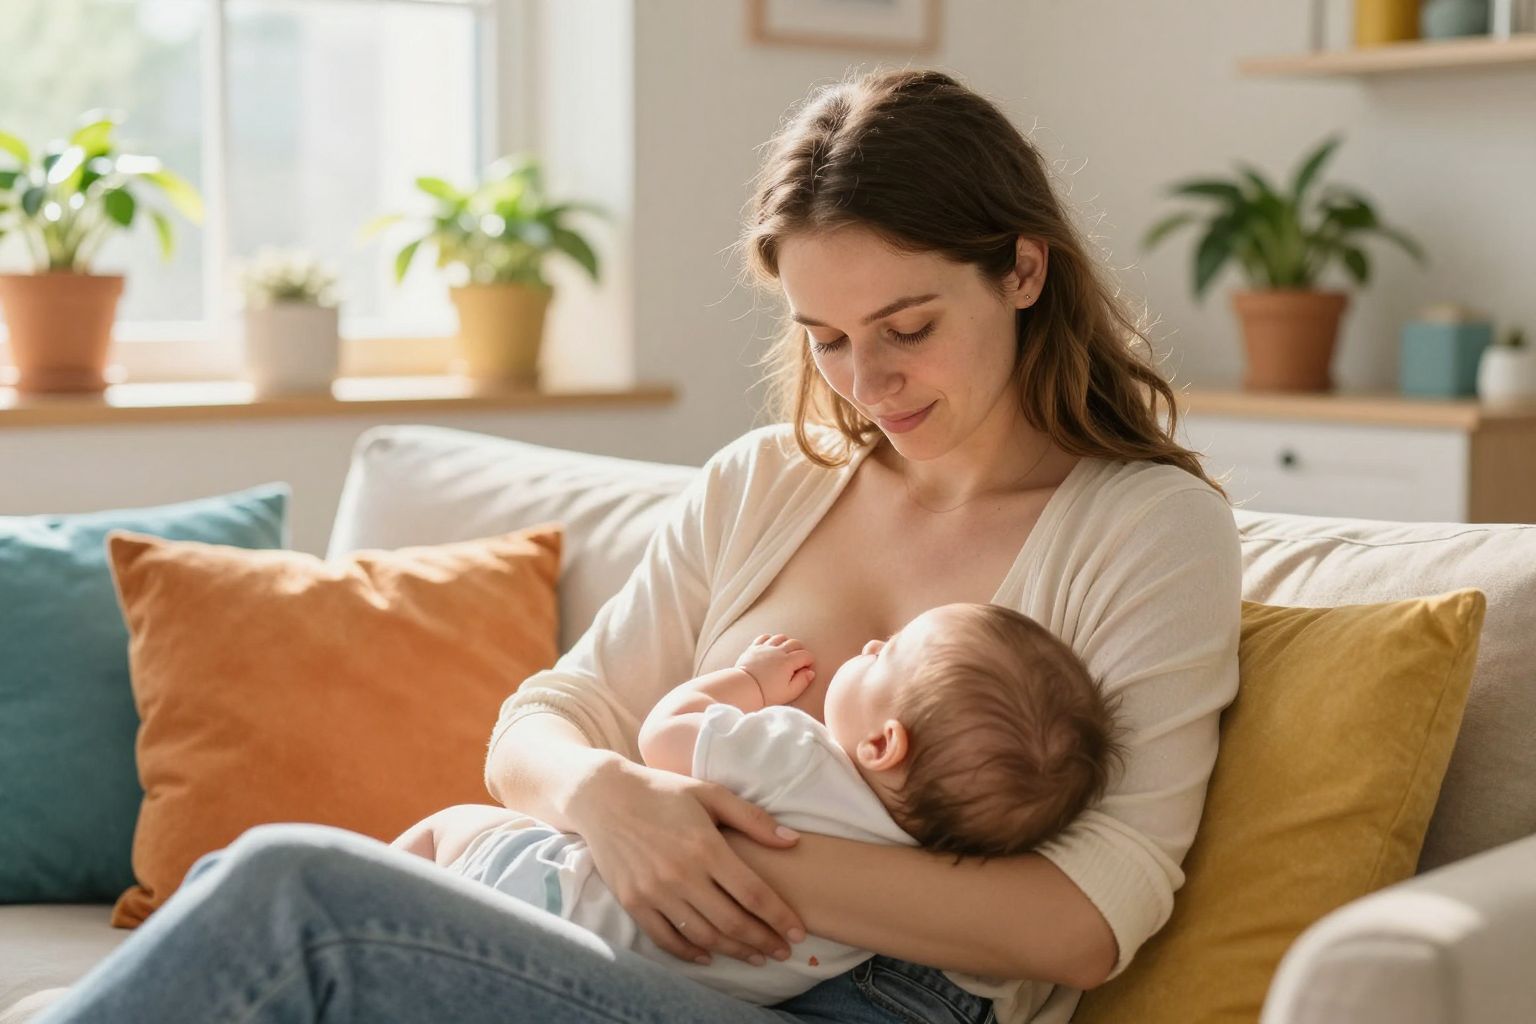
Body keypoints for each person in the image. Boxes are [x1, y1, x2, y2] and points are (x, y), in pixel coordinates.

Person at [36, 66, 1241, 1024]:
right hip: (646, 955)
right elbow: (543, 725)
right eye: (824, 338)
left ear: (1024, 268)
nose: (866, 382)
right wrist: (611, 798)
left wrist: (705, 844)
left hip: (873, 1005)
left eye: (907, 327)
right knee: (225, 893)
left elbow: (1081, 920)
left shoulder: (1145, 526)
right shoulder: (765, 484)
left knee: (294, 896)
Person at [392, 603, 1122, 1004]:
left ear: (882, 745)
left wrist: (748, 680)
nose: (867, 642)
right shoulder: (909, 881)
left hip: (562, 892)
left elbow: (664, 738)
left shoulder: (796, 756)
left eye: (885, 653)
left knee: (448, 830)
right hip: (653, 973)